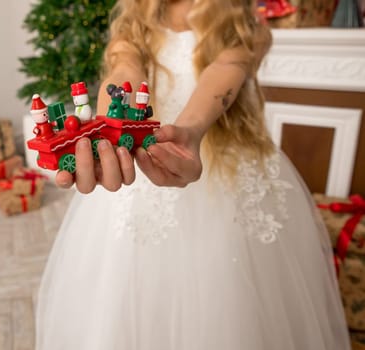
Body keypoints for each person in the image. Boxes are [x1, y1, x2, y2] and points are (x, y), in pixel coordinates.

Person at [36, 0, 351, 349]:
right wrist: (114, 115)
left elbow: (226, 68)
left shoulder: (243, 23)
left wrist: (187, 130)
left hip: (227, 176)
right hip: (141, 176)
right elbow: (125, 66)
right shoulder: (136, 17)